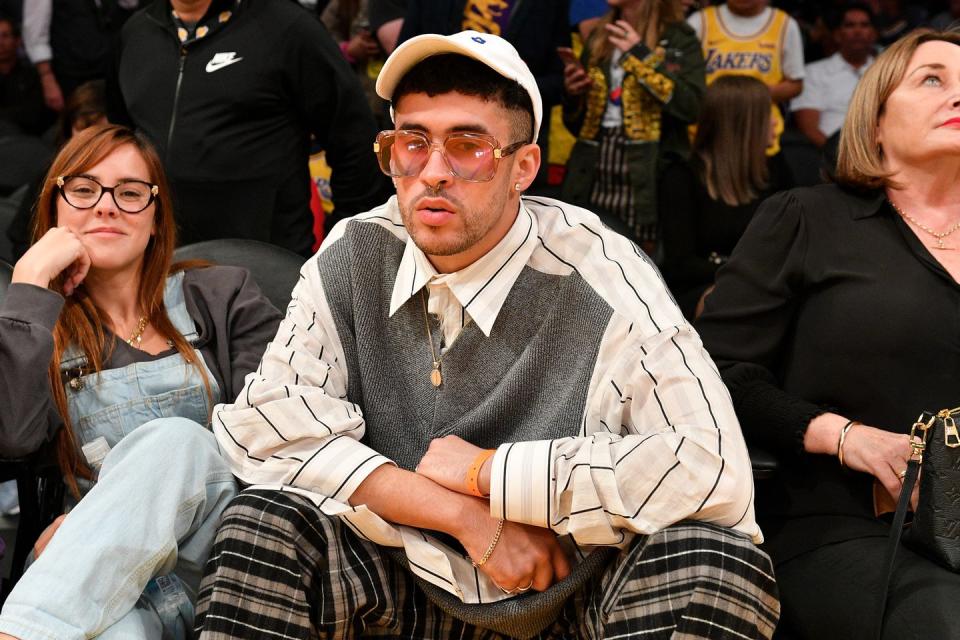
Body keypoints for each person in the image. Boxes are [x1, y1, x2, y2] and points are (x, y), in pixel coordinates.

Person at [193, 30, 778, 640]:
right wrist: (465, 514)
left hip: (571, 595)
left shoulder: (599, 271)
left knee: (719, 564)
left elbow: (711, 466)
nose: (433, 173)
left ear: (524, 166)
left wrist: (493, 474)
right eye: (411, 143)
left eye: (468, 146)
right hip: (399, 579)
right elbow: (262, 427)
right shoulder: (356, 251)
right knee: (263, 522)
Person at [695, 29, 960, 640]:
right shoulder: (808, 218)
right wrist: (848, 438)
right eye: (932, 79)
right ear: (873, 120)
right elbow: (711, 376)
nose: (956, 95)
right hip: (839, 521)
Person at [0, 124, 282, 639]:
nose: (106, 206)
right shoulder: (38, 326)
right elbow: (14, 437)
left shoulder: (219, 296)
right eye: (84, 190)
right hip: (104, 583)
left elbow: (277, 436)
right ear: (54, 209)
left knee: (177, 442)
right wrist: (28, 285)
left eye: (130, 193)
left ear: (156, 219)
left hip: (224, 561)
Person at [109, 0, 392, 256]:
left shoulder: (287, 28)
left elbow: (356, 144)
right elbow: (122, 146)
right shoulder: (136, 33)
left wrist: (339, 247)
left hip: (264, 266)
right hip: (159, 263)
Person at [561, 0, 705, 251]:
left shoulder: (679, 37)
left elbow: (692, 107)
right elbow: (576, 125)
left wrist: (640, 56)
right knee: (585, 250)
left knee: (641, 259)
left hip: (650, 168)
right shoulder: (599, 34)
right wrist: (575, 93)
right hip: (593, 165)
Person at [660, 75, 792, 320]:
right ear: (744, 125)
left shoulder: (774, 172)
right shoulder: (682, 177)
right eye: (767, 115)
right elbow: (681, 265)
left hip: (764, 286)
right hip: (703, 288)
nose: (775, 123)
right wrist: (745, 273)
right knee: (731, 297)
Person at [687, 0, 805, 155]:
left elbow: (795, 84)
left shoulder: (785, 24)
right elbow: (686, 83)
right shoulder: (699, 21)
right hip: (709, 131)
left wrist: (747, 98)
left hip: (760, 133)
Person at [22, 0, 142, 113]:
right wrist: (47, 78)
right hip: (70, 74)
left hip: (108, 68)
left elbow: (130, 4)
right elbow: (35, 35)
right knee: (80, 123)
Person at [793, 3, 876, 149]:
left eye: (864, 25)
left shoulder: (889, 72)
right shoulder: (813, 72)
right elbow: (809, 128)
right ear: (837, 35)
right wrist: (839, 158)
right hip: (828, 158)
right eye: (850, 25)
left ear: (874, 34)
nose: (858, 31)